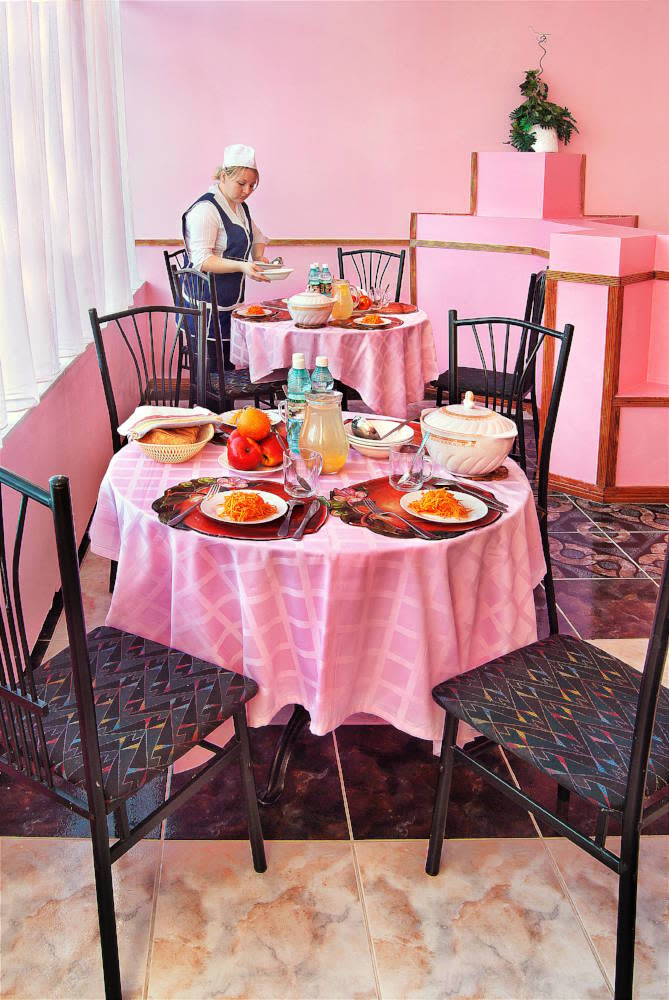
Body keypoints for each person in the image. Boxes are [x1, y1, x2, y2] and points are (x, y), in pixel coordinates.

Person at [182, 144, 270, 371]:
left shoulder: (239, 207)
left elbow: (258, 236)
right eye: (241, 183)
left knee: (226, 371)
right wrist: (243, 267)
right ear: (223, 176)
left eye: (252, 185)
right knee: (212, 377)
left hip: (228, 302)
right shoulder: (206, 210)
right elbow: (202, 261)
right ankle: (210, 397)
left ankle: (226, 396)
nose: (247, 190)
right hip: (203, 306)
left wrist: (258, 257)